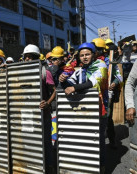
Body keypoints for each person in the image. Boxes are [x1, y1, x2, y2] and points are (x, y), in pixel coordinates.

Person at [59, 42, 108, 172]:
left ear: (94, 54)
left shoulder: (101, 65)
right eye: (82, 55)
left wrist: (73, 87)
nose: (84, 57)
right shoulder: (81, 70)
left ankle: (102, 168)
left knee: (98, 140)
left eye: (87, 54)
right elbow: (70, 84)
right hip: (86, 109)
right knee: (87, 141)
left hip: (100, 108)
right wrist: (63, 80)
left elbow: (93, 82)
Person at [23, 44, 57, 171]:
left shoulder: (45, 71)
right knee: (30, 140)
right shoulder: (21, 72)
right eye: (26, 57)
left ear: (37, 58)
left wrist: (47, 103)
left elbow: (54, 91)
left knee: (46, 141)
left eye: (31, 57)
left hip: (43, 113)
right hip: (27, 113)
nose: (28, 59)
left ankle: (49, 166)